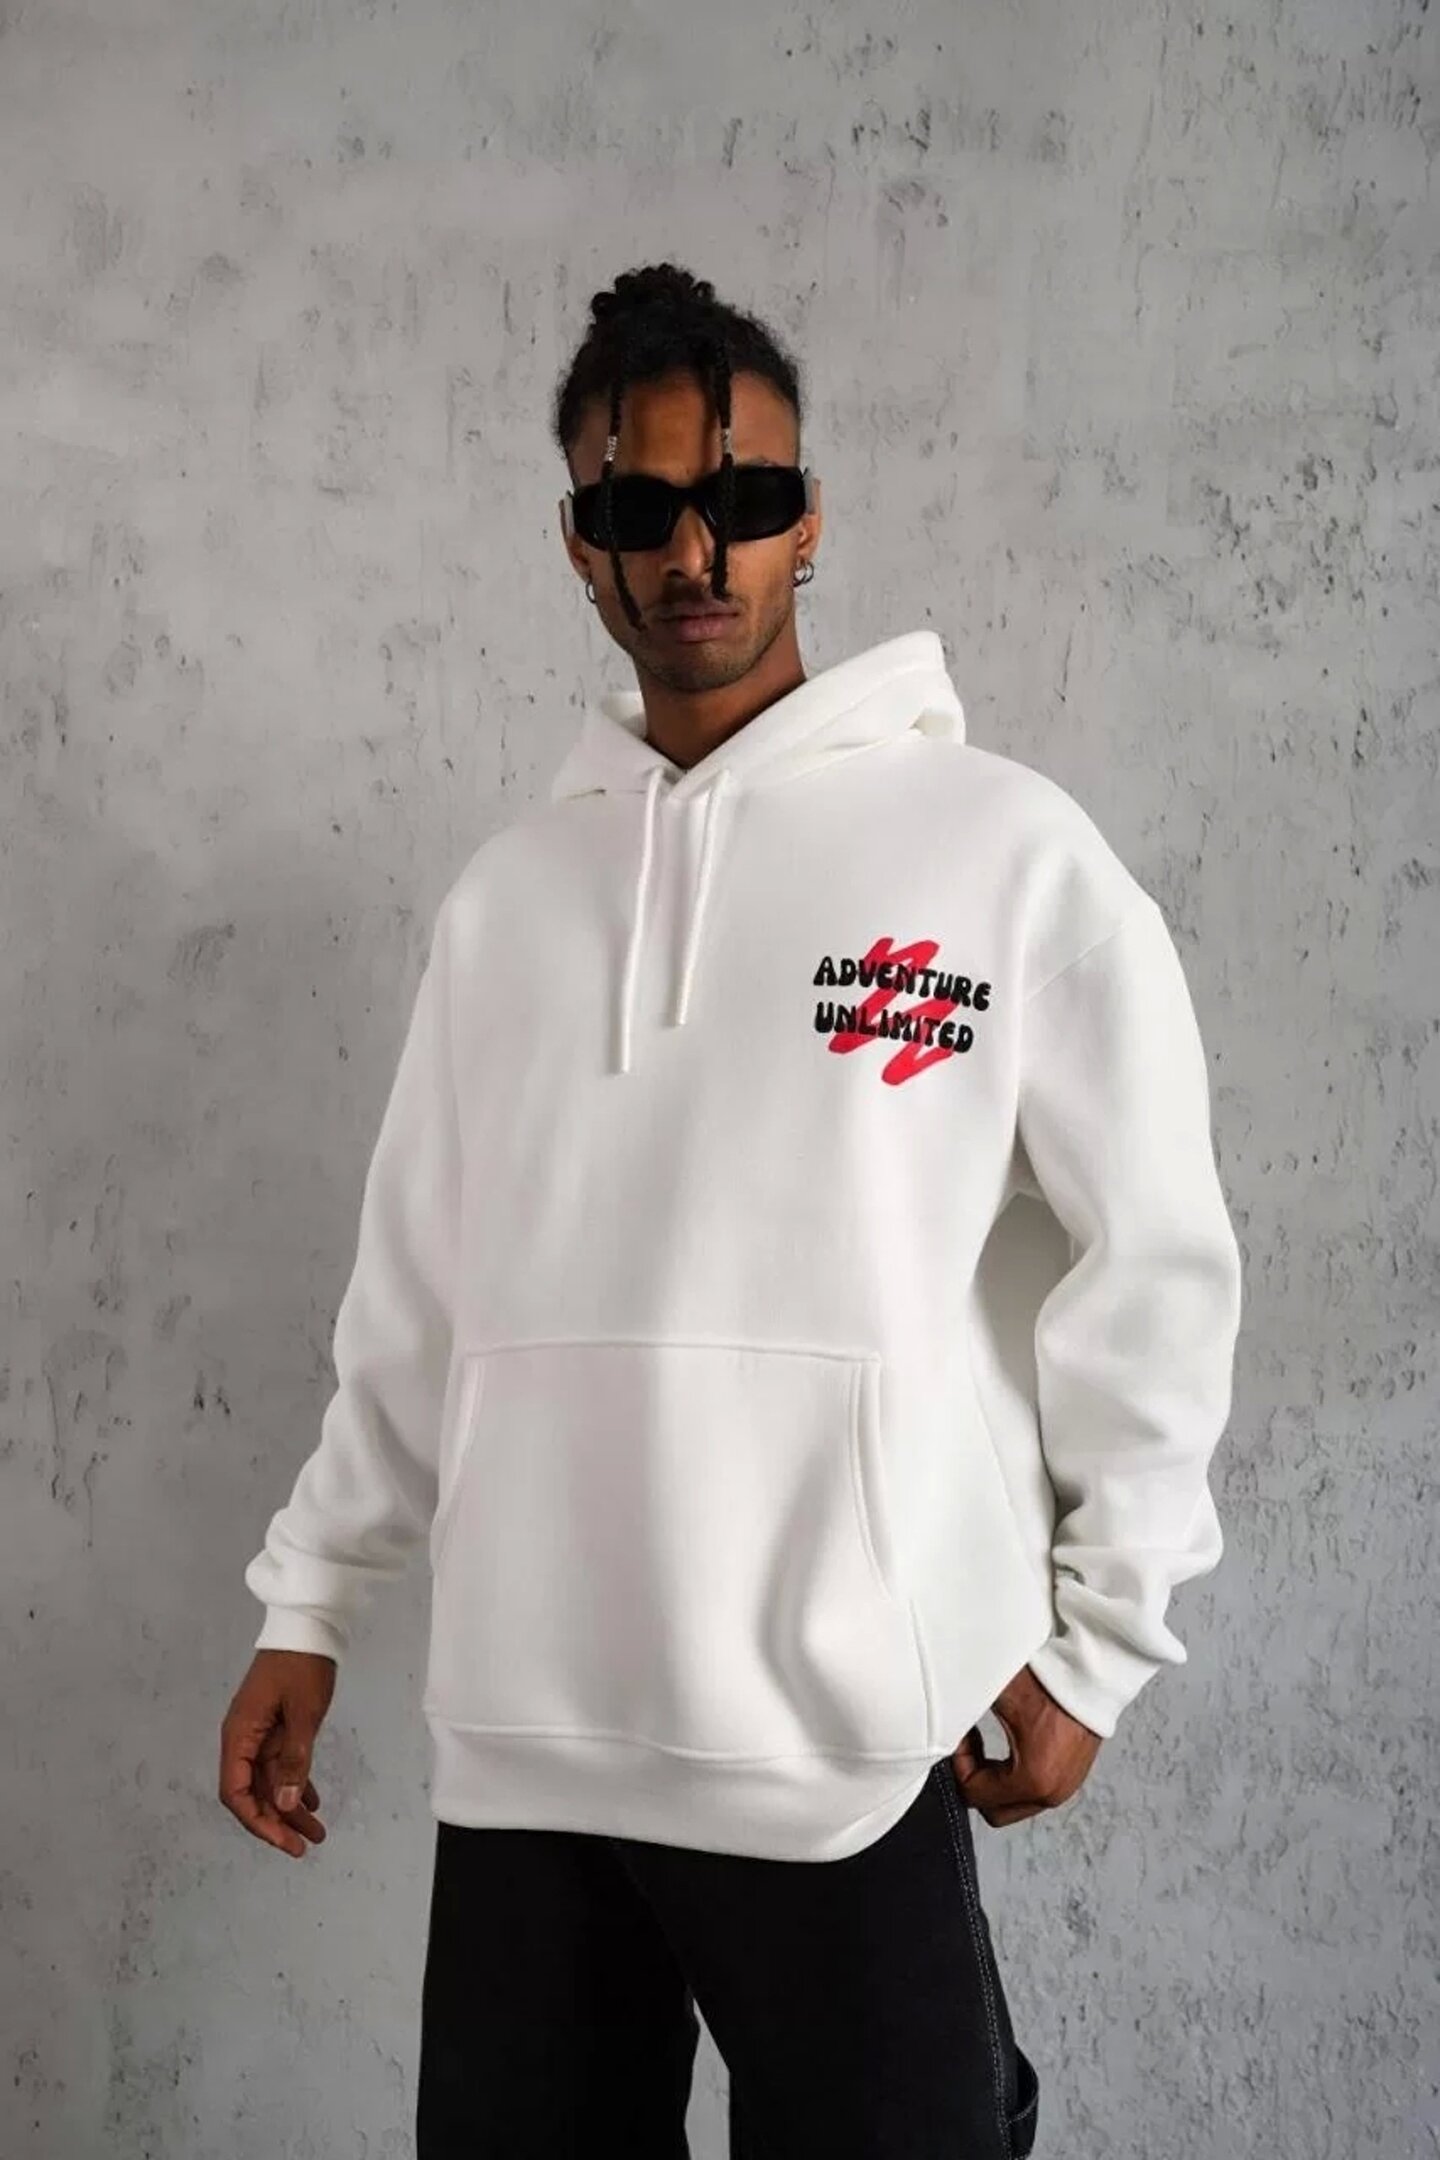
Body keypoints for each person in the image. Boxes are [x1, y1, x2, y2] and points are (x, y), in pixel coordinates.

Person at [219, 261, 1244, 2159]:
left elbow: (1155, 1257)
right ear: (579, 540)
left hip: (839, 1740)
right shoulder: (509, 903)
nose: (696, 551)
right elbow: (416, 1298)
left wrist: (1103, 1638)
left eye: (743, 498)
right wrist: (312, 1601)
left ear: (808, 519)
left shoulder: (1003, 852)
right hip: (530, 1744)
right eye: (639, 507)